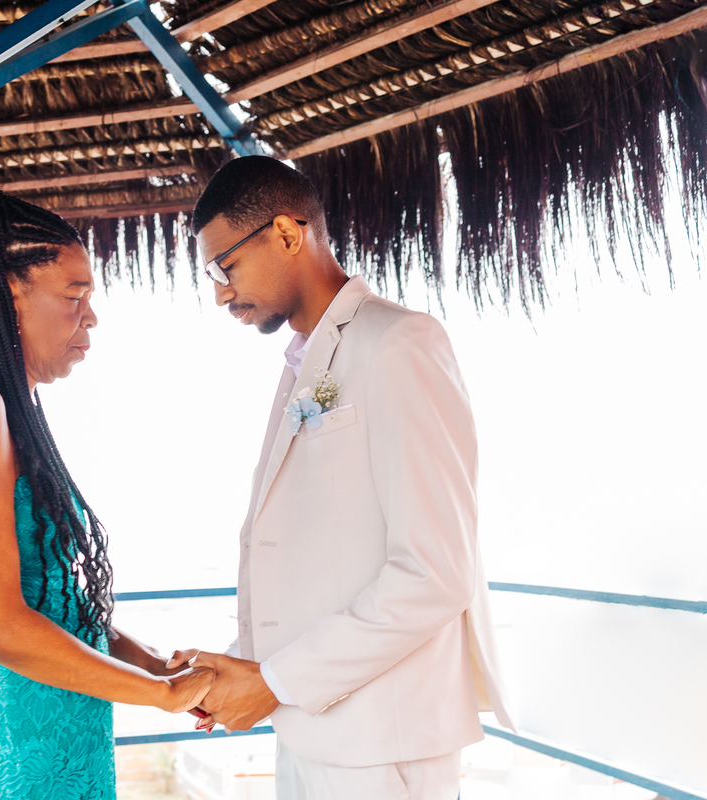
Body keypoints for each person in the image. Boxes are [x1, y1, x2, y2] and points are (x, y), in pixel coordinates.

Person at [167, 156, 515, 800]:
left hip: (382, 745)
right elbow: (313, 553)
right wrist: (244, 668)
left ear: (286, 234)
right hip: (310, 728)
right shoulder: (305, 361)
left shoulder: (400, 342)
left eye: (225, 267)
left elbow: (435, 574)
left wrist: (274, 681)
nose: (219, 293)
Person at [0, 189, 214, 800]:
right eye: (74, 296)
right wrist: (159, 695)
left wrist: (152, 662)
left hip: (56, 752)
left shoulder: (5, 405)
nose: (92, 317)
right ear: (10, 294)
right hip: (3, 762)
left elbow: (47, 604)